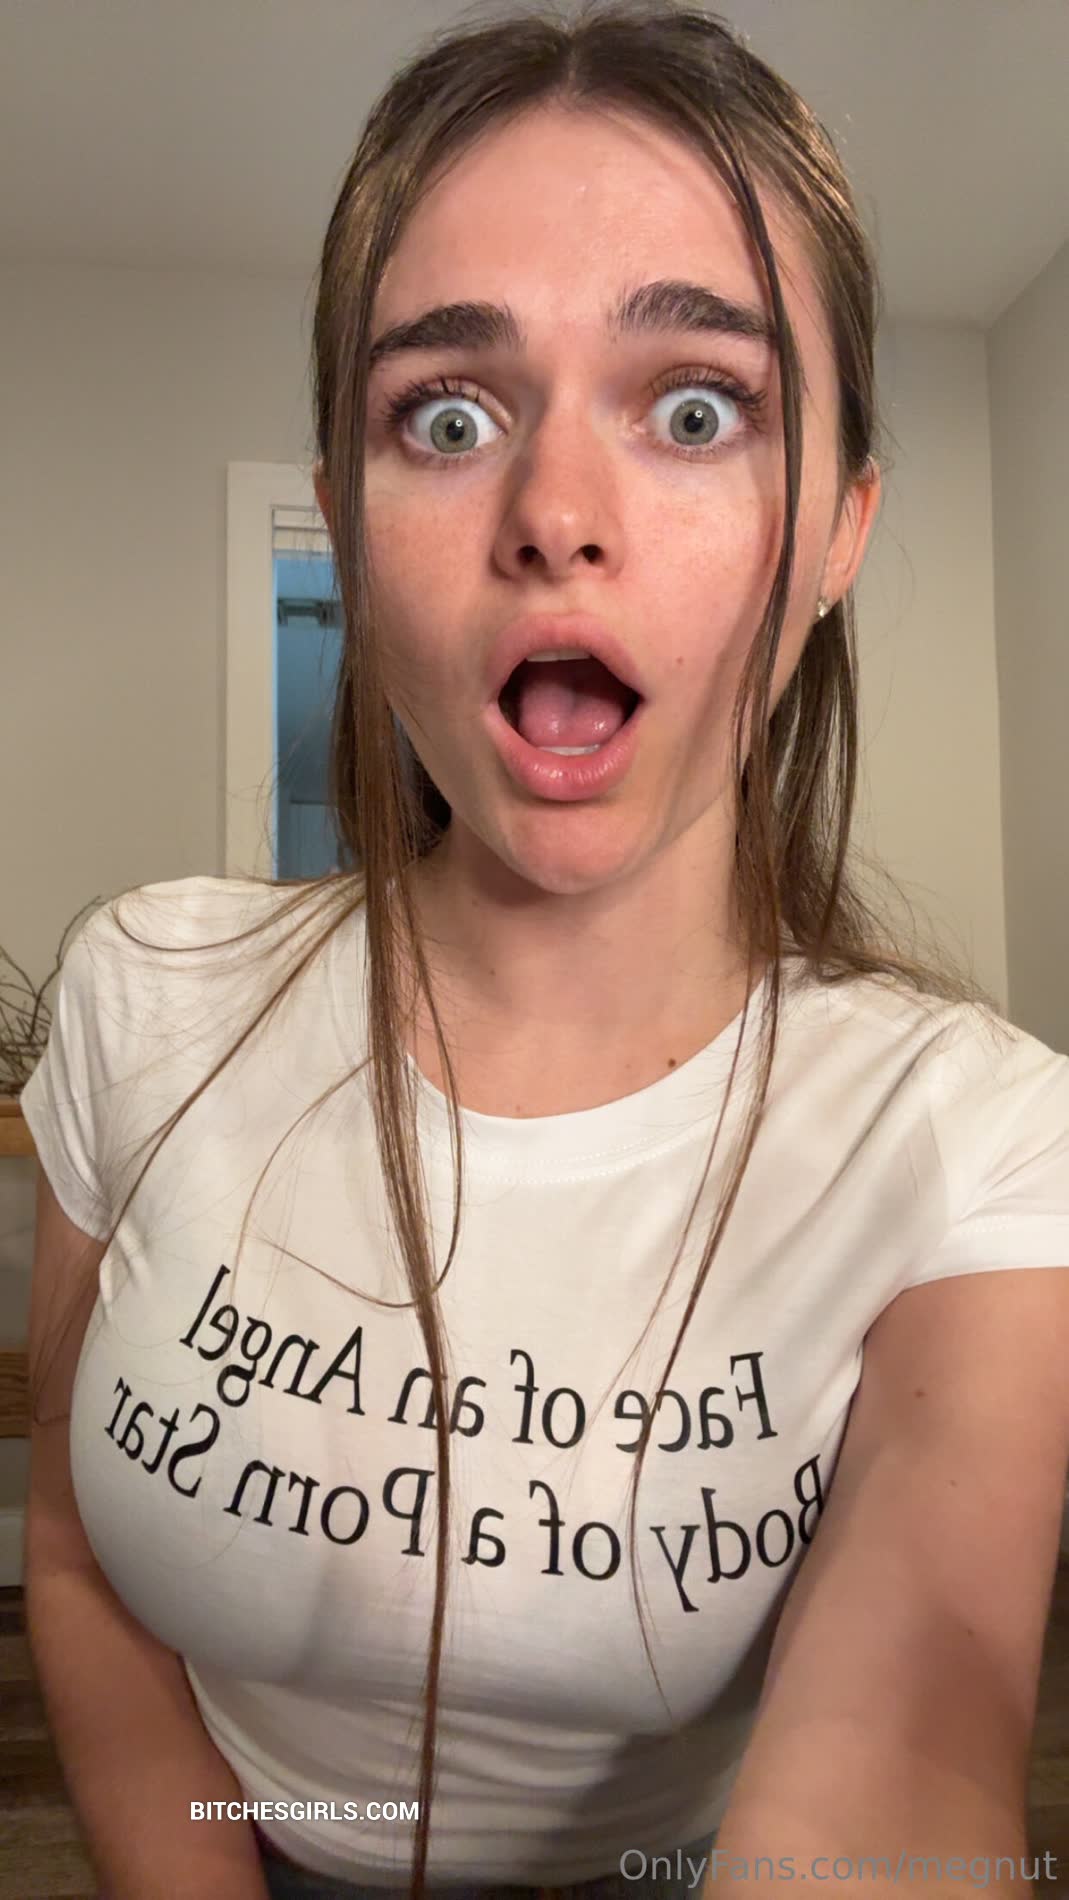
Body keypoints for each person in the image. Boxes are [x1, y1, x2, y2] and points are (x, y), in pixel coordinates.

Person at [21, 4, 1069, 1899]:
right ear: (345, 518)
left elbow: (906, 1758)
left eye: (696, 408)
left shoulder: (978, 1148)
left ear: (840, 526)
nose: (556, 520)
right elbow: (77, 1554)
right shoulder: (142, 996)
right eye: (446, 415)